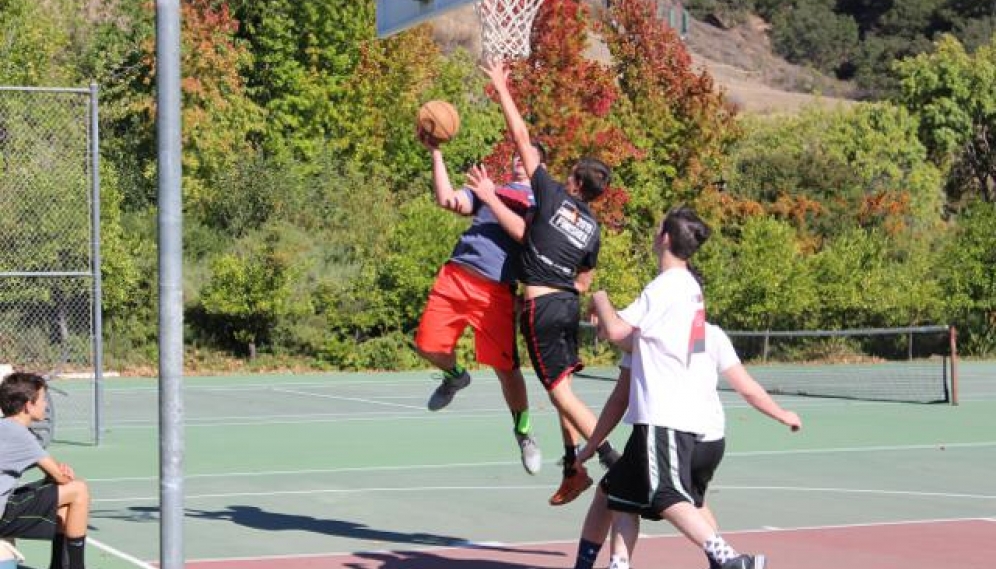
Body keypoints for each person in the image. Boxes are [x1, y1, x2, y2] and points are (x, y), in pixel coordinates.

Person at [575, 205, 797, 569]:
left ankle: (728, 560)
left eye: (658, 227)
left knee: (666, 495)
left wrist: (597, 296)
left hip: (666, 413)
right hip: (676, 416)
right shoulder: (689, 290)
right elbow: (635, 340)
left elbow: (616, 331)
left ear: (664, 237)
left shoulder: (668, 286)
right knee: (622, 495)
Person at [467, 58, 620, 506]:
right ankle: (574, 464)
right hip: (567, 306)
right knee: (564, 391)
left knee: (560, 394)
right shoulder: (592, 229)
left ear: (572, 180)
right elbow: (585, 276)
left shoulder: (551, 195)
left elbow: (519, 136)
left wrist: (501, 87)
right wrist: (568, 286)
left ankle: (614, 460)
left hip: (541, 307)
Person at [573, 328, 802, 569]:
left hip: (667, 434)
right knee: (639, 493)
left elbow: (620, 397)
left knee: (644, 496)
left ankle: (729, 560)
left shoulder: (646, 338)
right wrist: (782, 414)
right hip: (711, 439)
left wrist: (592, 445)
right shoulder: (712, 334)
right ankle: (720, 563)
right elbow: (746, 386)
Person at [414, 130, 543, 475]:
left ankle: (524, 433)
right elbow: (447, 199)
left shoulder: (542, 202)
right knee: (426, 346)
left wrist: (490, 196)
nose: (519, 157)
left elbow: (524, 235)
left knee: (507, 371)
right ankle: (456, 377)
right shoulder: (492, 189)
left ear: (539, 163)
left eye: (528, 153)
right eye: (517, 152)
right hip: (457, 275)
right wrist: (436, 152)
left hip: (496, 291)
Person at [0, 372, 91, 569]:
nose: (46, 405)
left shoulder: (4, 427)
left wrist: (55, 475)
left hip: (5, 503)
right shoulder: (19, 434)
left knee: (65, 509)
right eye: (42, 399)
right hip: (2, 514)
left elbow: (52, 476)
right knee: (79, 489)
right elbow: (61, 477)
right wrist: (60, 473)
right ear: (28, 405)